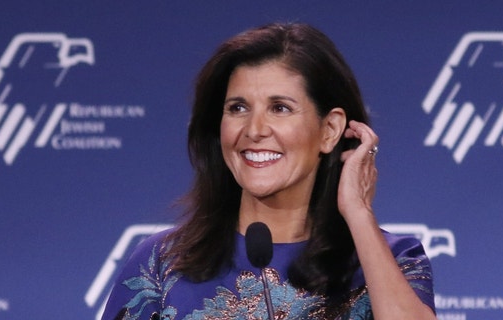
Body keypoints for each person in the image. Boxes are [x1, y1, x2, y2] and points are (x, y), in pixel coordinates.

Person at [102, 22, 436, 320]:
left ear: (330, 130)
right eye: (238, 108)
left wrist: (358, 212)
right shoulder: (162, 263)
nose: (254, 129)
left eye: (280, 108)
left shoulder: (393, 258)